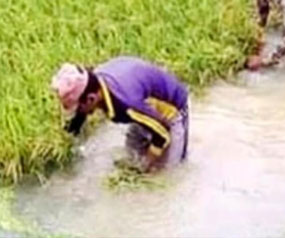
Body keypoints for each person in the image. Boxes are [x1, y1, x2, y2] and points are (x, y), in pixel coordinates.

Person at [50, 56, 189, 173]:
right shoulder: (95, 83)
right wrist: (72, 129)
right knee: (132, 156)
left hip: (172, 112)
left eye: (77, 108)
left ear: (91, 99)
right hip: (144, 102)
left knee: (167, 173)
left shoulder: (125, 103)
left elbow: (163, 132)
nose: (77, 112)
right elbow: (82, 109)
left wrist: (146, 168)